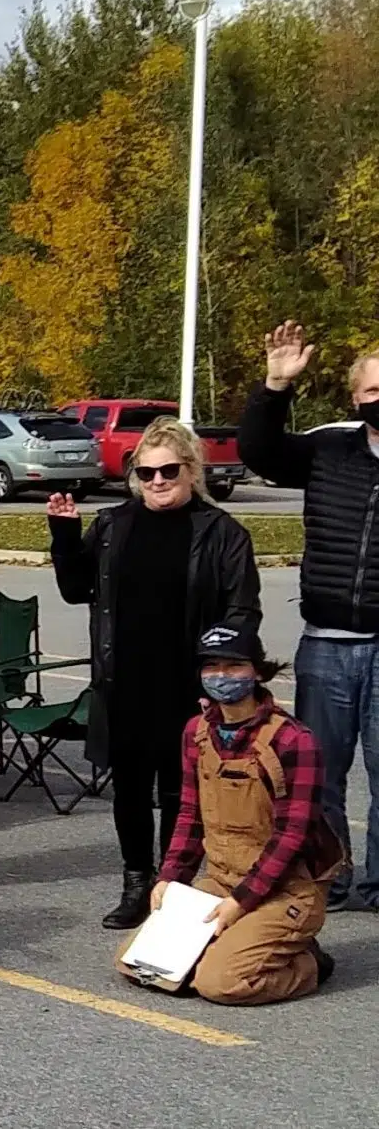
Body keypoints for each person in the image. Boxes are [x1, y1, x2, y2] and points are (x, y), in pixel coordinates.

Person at [49, 421, 260, 929]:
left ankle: (175, 885)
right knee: (130, 791)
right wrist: (63, 535)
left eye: (169, 470)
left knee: (182, 795)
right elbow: (77, 590)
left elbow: (242, 612)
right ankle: (137, 883)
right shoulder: (114, 524)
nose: (158, 480)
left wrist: (220, 677)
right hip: (125, 681)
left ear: (192, 470)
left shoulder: (222, 532)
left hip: (190, 686)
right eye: (146, 472)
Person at [238, 321, 379, 911]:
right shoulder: (330, 449)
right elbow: (261, 452)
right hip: (326, 644)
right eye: (374, 391)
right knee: (318, 775)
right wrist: (275, 387)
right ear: (355, 398)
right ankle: (333, 874)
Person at [127, 625, 342, 1005]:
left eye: (233, 665)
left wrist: (240, 904)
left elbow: (292, 835)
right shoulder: (197, 731)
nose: (221, 676)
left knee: (221, 984)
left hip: (284, 890)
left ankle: (309, 963)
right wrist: (169, 879)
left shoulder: (293, 740)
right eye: (211, 666)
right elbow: (190, 814)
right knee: (142, 967)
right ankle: (244, 943)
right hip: (221, 882)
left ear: (258, 671)